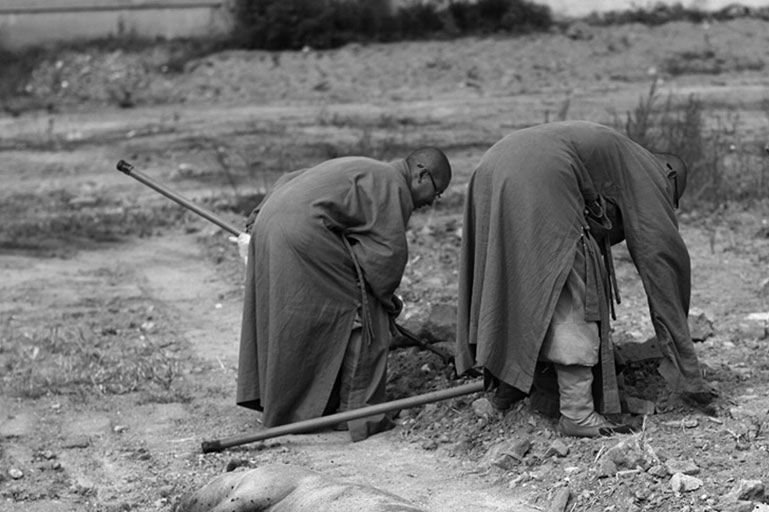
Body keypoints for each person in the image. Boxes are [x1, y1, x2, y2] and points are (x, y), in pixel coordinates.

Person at [455, 121, 716, 438]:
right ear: (670, 176)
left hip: (493, 165)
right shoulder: (653, 172)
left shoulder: (613, 153)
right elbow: (662, 263)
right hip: (544, 173)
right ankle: (577, 413)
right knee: (576, 282)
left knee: (519, 282)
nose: (666, 204)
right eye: (670, 199)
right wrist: (688, 368)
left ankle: (508, 390)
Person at [237, 148, 452, 442]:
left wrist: (256, 220)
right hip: (301, 235)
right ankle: (359, 413)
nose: (431, 203)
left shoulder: (364, 166)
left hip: (270, 227)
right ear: (421, 174)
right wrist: (388, 304)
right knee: (363, 310)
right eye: (436, 193)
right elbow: (386, 259)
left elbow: (290, 178)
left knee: (299, 315)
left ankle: (298, 404)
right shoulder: (395, 186)